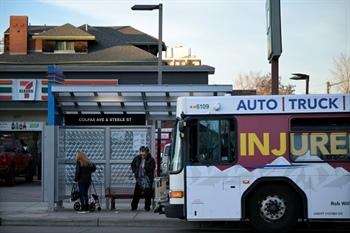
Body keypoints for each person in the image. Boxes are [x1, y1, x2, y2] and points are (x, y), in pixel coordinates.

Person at [130, 146, 155, 211]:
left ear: (147, 153)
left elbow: (152, 167)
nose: (142, 156)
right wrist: (135, 171)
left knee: (148, 194)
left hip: (147, 179)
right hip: (139, 178)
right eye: (141, 154)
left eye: (144, 154)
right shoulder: (137, 158)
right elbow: (132, 165)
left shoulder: (151, 159)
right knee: (136, 193)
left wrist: (145, 167)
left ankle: (147, 206)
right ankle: (134, 206)